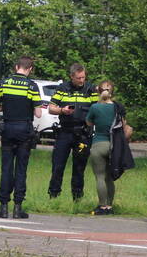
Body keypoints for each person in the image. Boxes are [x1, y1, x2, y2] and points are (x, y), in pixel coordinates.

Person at [0, 55, 41, 219]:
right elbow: (38, 113)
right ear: (30, 69)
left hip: (7, 128)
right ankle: (17, 208)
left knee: (6, 168)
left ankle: (3, 207)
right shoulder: (32, 86)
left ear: (16, 67)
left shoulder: (4, 83)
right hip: (24, 130)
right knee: (21, 169)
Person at [47, 62, 96, 200]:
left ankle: (77, 198)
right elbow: (51, 108)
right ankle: (53, 195)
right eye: (78, 78)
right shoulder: (62, 88)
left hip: (83, 134)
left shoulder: (90, 89)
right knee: (58, 166)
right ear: (71, 76)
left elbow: (99, 107)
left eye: (83, 77)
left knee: (79, 168)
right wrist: (62, 110)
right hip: (65, 132)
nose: (81, 81)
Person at [84, 80, 122, 215]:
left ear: (98, 91)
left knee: (100, 176)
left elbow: (88, 122)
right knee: (109, 178)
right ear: (112, 92)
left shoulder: (95, 107)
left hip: (98, 144)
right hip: (113, 146)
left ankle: (102, 206)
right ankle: (110, 207)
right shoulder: (117, 108)